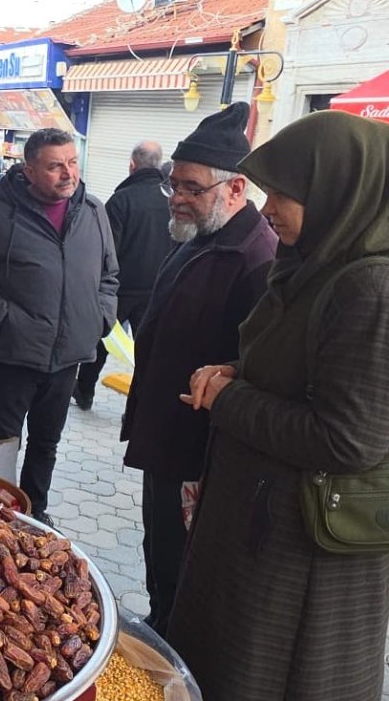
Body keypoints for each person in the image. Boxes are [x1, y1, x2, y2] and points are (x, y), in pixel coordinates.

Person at [170, 111, 389, 700]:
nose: (267, 209)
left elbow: (348, 441)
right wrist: (239, 370)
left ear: (338, 191)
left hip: (304, 552)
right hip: (263, 526)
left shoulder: (375, 287)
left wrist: (230, 397)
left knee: (263, 680)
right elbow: (310, 368)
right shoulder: (317, 265)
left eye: (284, 195)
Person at [118, 105, 277, 635]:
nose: (180, 199)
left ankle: (175, 652)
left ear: (236, 190)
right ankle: (160, 626)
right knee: (160, 547)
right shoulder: (200, 237)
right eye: (175, 187)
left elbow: (255, 369)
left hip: (200, 452)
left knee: (183, 561)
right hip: (166, 435)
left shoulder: (257, 259)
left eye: (192, 188)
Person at [0, 128, 118, 525]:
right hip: (13, 356)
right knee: (6, 441)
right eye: (55, 166)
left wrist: (98, 320)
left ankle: (36, 515)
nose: (68, 173)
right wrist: (9, 323)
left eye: (72, 162)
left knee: (47, 443)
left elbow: (109, 276)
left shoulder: (93, 212)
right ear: (28, 171)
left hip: (68, 358)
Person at [73, 141, 173, 410]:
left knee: (102, 340)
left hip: (120, 289)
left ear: (132, 165)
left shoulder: (121, 200)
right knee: (147, 348)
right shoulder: (171, 199)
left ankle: (84, 392)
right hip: (156, 289)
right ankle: (143, 401)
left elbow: (106, 250)